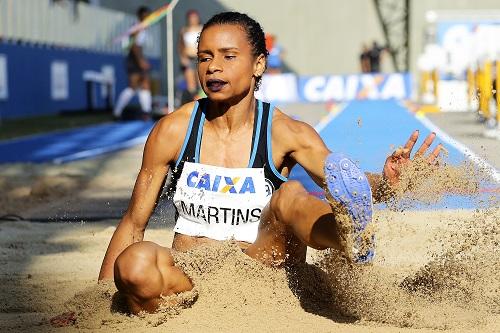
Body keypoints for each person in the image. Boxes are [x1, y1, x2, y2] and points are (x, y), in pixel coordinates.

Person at [98, 12, 443, 314]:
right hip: (190, 281)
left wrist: (384, 183)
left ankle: (347, 236)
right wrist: (95, 303)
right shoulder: (174, 130)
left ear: (258, 64)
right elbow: (133, 223)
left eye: (228, 56)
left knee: (289, 196)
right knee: (135, 263)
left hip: (263, 272)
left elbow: (342, 181)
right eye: (204, 57)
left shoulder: (285, 132)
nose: (213, 67)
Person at [113, 6, 152, 120]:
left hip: (136, 59)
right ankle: (117, 112)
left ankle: (146, 112)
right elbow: (134, 46)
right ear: (140, 16)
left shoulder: (142, 28)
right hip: (134, 60)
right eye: (145, 16)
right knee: (133, 86)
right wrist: (141, 61)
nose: (147, 18)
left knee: (145, 85)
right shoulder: (137, 28)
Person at [178, 9, 203, 103]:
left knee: (200, 80)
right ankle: (194, 101)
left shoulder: (202, 28)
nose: (193, 19)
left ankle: (203, 99)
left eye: (195, 17)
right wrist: (182, 58)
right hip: (188, 58)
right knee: (190, 83)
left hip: (199, 58)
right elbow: (180, 46)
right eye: (191, 18)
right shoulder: (184, 30)